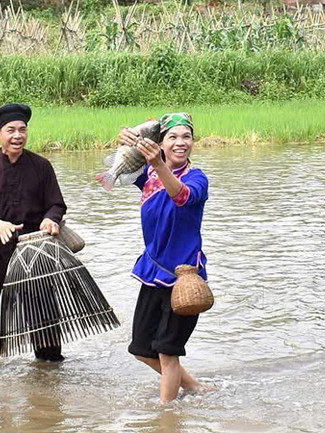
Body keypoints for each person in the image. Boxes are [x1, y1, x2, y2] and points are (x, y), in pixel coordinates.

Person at [0, 103, 67, 364]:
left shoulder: (41, 166)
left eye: (22, 130)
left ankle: (48, 365)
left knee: (43, 316)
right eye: (11, 130)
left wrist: (50, 219)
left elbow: (57, 204)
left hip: (32, 249)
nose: (18, 136)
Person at [116, 112, 208, 402]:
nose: (181, 143)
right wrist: (124, 140)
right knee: (142, 350)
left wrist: (157, 162)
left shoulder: (197, 178)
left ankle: (167, 417)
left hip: (184, 278)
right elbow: (120, 170)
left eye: (186, 136)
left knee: (168, 354)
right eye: (173, 137)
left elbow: (181, 196)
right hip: (153, 274)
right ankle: (195, 388)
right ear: (160, 142)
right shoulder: (148, 177)